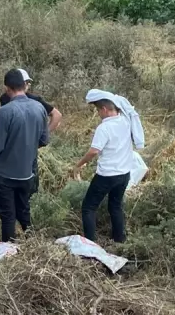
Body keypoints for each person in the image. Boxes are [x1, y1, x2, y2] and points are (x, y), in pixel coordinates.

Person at [0, 69, 49, 242]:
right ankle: (31, 244)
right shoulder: (39, 108)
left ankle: (9, 251)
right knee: (24, 212)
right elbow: (44, 139)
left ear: (8, 88)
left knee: (7, 217)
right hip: (27, 172)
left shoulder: (5, 111)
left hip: (4, 174)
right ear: (24, 85)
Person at [74, 92, 142, 244]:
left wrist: (78, 165)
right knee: (115, 206)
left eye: (98, 110)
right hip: (124, 173)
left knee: (88, 207)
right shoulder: (125, 121)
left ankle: (90, 244)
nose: (98, 114)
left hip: (107, 175)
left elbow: (94, 151)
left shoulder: (104, 128)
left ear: (104, 109)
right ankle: (119, 241)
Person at [0, 68, 63, 194]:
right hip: (13, 148)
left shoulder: (35, 100)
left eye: (28, 83)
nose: (28, 85)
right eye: (26, 82)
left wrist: (42, 135)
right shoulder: (5, 98)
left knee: (30, 180)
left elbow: (57, 115)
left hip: (27, 148)